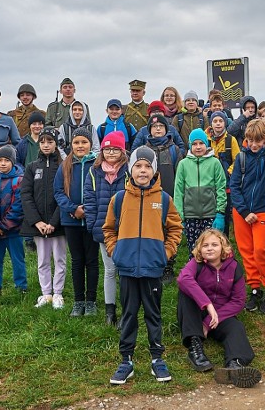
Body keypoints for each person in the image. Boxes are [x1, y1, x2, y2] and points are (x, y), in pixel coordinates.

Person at [104, 146, 183, 385]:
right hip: (127, 269)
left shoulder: (163, 199)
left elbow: (175, 229)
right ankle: (126, 360)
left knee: (153, 314)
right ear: (131, 169)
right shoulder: (119, 199)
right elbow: (108, 229)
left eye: (147, 166)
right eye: (138, 166)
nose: (142, 170)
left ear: (154, 170)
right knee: (128, 315)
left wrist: (165, 253)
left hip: (152, 269)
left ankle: (157, 359)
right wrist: (116, 252)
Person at [176, 229, 261, 387]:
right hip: (195, 313)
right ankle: (196, 348)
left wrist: (208, 322)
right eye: (205, 245)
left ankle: (235, 365)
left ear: (223, 247)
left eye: (214, 244)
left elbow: (238, 301)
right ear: (199, 249)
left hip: (220, 315)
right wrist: (207, 305)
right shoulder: (196, 263)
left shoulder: (234, 267)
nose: (209, 248)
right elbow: (183, 278)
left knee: (236, 327)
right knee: (185, 293)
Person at [229, 119, 265, 315]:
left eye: (258, 141)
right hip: (242, 212)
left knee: (261, 249)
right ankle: (254, 287)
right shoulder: (241, 158)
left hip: (263, 209)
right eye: (251, 140)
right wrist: (244, 212)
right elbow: (234, 186)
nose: (254, 145)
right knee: (246, 251)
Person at [83, 131, 129, 326]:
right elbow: (90, 200)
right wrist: (94, 225)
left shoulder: (128, 171)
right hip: (104, 229)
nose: (111, 152)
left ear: (122, 151)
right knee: (110, 270)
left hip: (126, 230)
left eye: (115, 149)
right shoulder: (94, 172)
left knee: (124, 270)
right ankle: (110, 311)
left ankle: (127, 311)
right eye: (107, 149)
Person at [53, 128, 100, 317]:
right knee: (77, 261)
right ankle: (78, 300)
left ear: (90, 144)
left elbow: (101, 190)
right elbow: (58, 192)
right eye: (77, 143)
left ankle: (91, 301)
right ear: (71, 145)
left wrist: (88, 210)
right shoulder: (65, 165)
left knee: (92, 261)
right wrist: (73, 209)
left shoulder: (97, 164)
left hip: (92, 221)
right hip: (71, 221)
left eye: (84, 142)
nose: (80, 146)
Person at [20, 126, 67, 309]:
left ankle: (58, 294)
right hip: (39, 225)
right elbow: (26, 195)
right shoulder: (32, 167)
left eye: (50, 141)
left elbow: (65, 194)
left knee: (60, 259)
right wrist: (37, 221)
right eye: (42, 141)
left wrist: (53, 222)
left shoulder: (63, 167)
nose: (46, 145)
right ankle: (46, 293)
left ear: (56, 144)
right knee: (42, 260)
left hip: (58, 224)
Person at [175, 129, 228, 259]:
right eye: (194, 144)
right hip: (190, 215)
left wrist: (220, 212)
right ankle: (195, 275)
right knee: (194, 249)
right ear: (190, 146)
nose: (198, 147)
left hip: (210, 214)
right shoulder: (183, 164)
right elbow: (178, 190)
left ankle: (211, 275)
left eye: (201, 143)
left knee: (211, 249)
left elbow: (221, 187)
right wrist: (179, 215)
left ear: (206, 144)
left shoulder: (215, 163)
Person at [0, 145, 27, 297]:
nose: (3, 163)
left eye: (6, 160)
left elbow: (18, 207)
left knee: (17, 259)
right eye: (0, 160)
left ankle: (21, 286)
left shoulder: (19, 180)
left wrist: (3, 227)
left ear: (13, 162)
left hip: (13, 230)